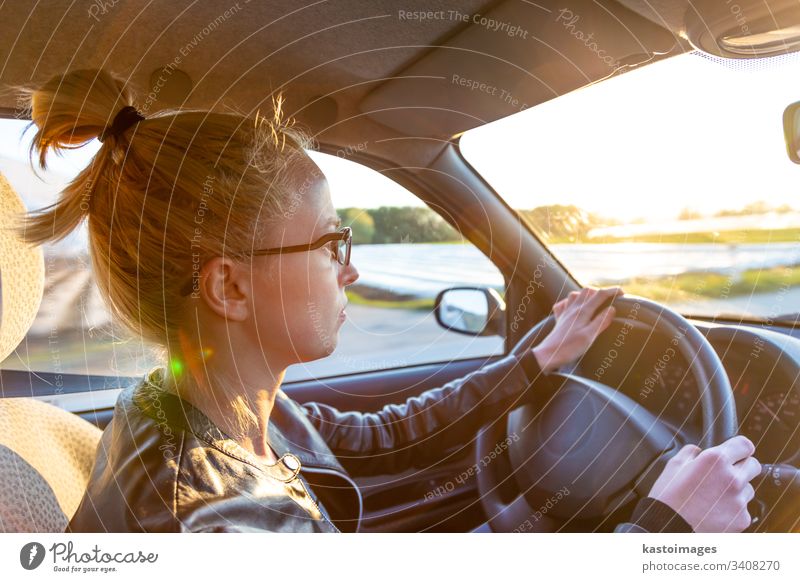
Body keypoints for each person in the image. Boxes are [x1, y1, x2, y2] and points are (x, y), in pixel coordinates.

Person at [16, 68, 760, 533]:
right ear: (230, 286)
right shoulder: (216, 518)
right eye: (331, 244)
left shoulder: (212, 407)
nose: (352, 273)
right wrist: (669, 532)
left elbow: (385, 435)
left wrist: (536, 360)